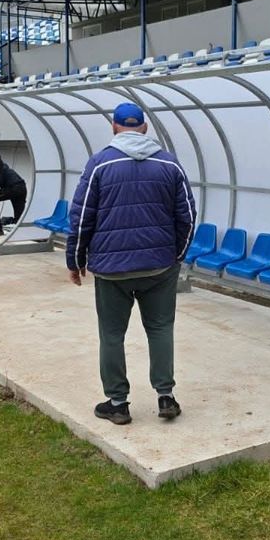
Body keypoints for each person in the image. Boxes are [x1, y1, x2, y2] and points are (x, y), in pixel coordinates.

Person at [67, 102, 196, 426]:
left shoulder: (99, 164)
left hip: (112, 271)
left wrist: (76, 259)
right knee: (161, 328)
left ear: (114, 127)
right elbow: (188, 217)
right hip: (159, 266)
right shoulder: (169, 164)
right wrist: (176, 254)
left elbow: (81, 218)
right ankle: (165, 396)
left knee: (112, 335)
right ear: (145, 127)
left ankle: (118, 403)